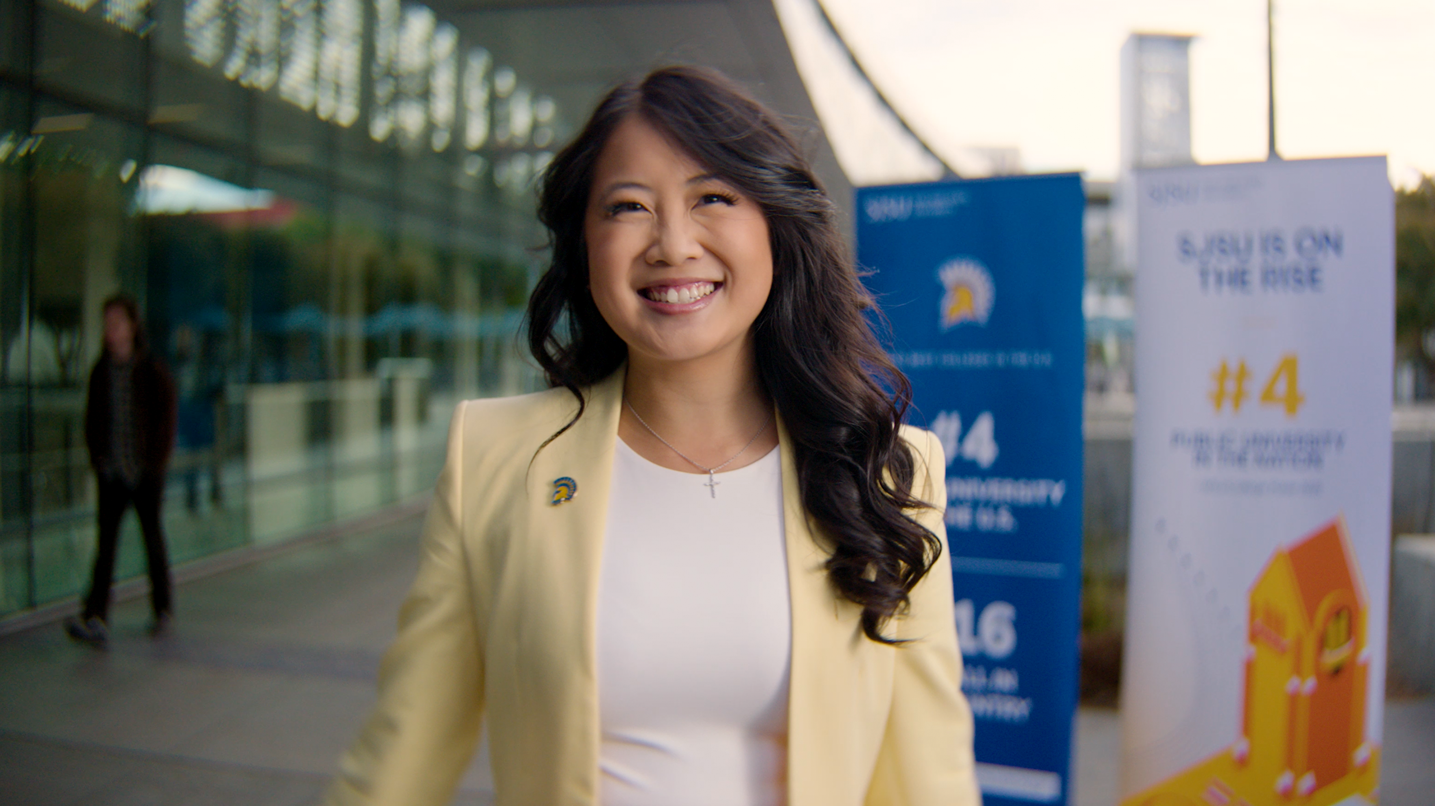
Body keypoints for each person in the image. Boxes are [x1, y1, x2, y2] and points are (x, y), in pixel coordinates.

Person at [326, 65, 977, 806]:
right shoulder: (495, 458)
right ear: (585, 246)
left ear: (776, 226)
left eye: (713, 198)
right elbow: (404, 751)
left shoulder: (886, 470)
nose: (672, 244)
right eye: (629, 206)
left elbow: (929, 777)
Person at [64, 294, 178, 647]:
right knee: (106, 546)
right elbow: (92, 420)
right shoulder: (101, 371)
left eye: (116, 323)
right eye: (106, 324)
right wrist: (99, 459)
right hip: (112, 472)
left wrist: (155, 460)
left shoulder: (150, 369)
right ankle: (95, 615)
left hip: (144, 472)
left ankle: (162, 608)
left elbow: (166, 415)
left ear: (131, 327)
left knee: (152, 539)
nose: (110, 331)